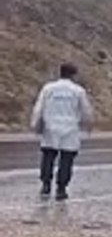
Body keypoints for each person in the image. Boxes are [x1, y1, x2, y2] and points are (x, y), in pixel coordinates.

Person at [30, 63, 94, 200]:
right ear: (73, 75)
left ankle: (46, 184)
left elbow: (39, 107)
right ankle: (61, 188)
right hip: (70, 128)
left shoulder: (48, 88)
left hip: (51, 127)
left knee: (48, 157)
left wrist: (35, 124)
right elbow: (86, 110)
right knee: (66, 159)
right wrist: (89, 124)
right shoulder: (78, 91)